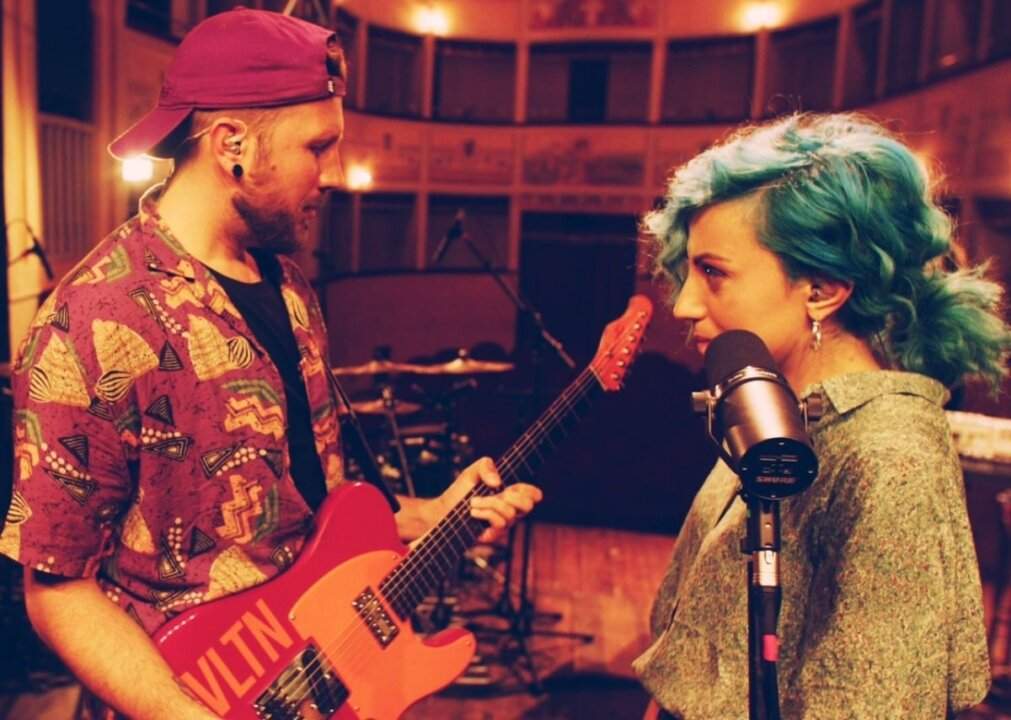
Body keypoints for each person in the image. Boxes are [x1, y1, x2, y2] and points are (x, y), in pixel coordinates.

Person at [0, 9, 541, 720]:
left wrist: (427, 516)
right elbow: (56, 587)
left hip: (324, 678)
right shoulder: (93, 318)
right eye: (318, 147)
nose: (335, 174)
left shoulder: (288, 286)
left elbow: (307, 512)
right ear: (233, 145)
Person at [633, 113, 1011, 719]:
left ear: (822, 289)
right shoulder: (780, 411)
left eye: (714, 273)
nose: (684, 305)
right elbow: (685, 659)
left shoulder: (890, 460)